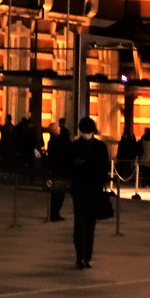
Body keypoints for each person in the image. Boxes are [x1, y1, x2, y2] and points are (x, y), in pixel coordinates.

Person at [67, 115, 110, 270]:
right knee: (85, 224)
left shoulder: (79, 146)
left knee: (85, 224)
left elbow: (104, 167)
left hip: (86, 190)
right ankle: (82, 256)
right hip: (87, 190)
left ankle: (84, 256)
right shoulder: (98, 146)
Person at [46, 117, 72, 221]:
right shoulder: (54, 141)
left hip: (59, 168)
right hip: (58, 169)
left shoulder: (56, 140)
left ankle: (55, 213)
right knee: (57, 193)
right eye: (57, 127)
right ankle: (54, 213)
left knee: (59, 193)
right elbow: (61, 152)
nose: (59, 128)